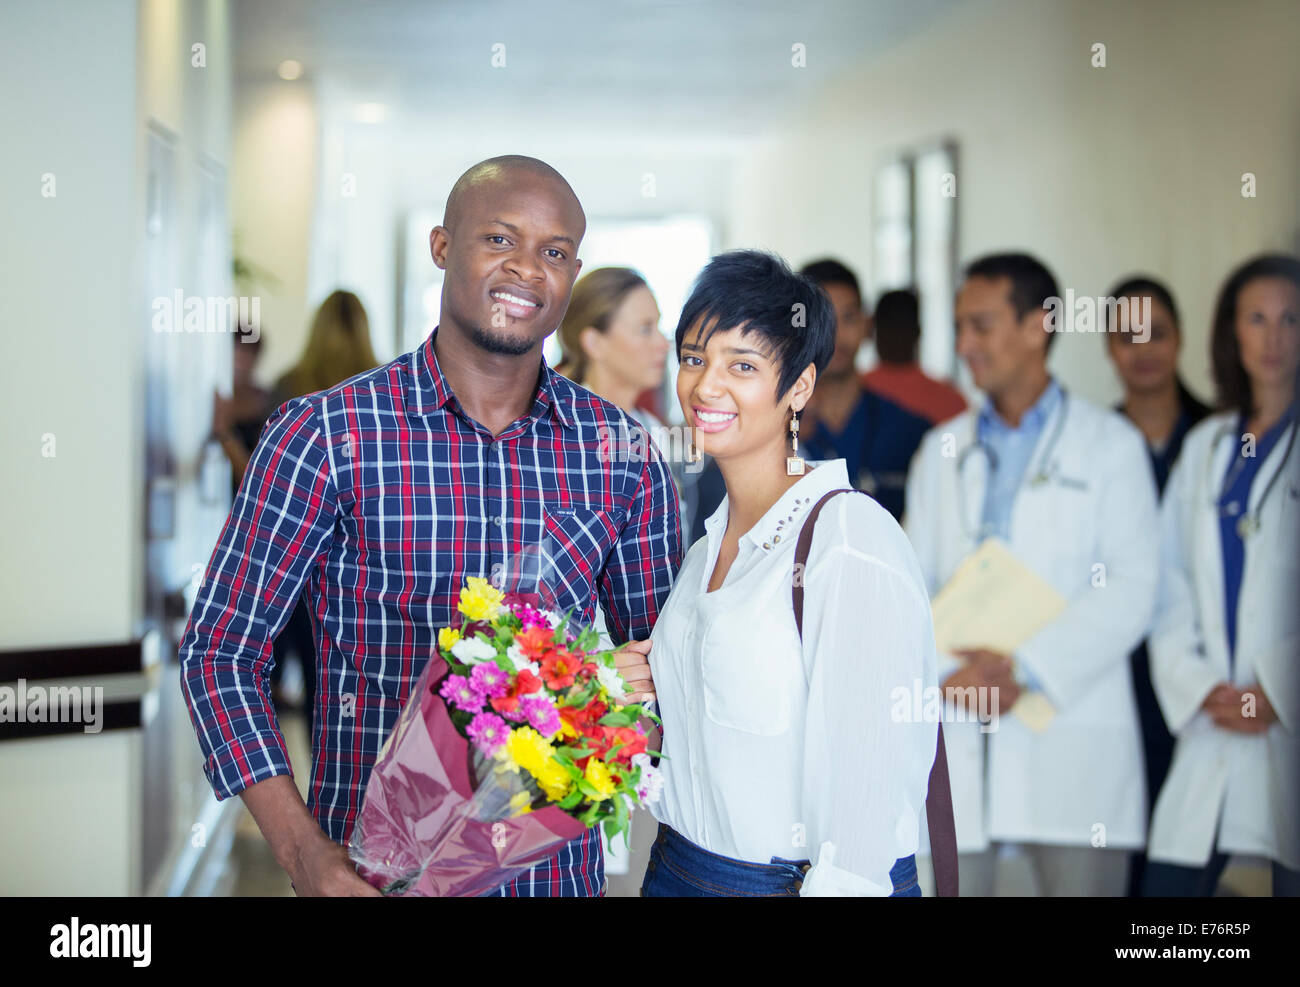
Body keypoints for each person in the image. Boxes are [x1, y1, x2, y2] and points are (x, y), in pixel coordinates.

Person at [179, 155, 682, 897]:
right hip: (368, 877)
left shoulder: (623, 451)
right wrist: (304, 854)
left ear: (574, 273)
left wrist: (628, 697)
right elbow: (220, 654)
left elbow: (664, 670)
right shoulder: (325, 434)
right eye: (499, 240)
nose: (526, 271)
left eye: (552, 253)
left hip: (553, 883)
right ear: (443, 247)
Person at [641, 250, 938, 896]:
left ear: (799, 386)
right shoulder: (703, 553)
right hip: (677, 872)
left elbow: (868, 796)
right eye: (694, 358)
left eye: (742, 365)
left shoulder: (849, 539)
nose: (705, 386)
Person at [904, 252, 1159, 896]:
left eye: (981, 326)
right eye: (960, 327)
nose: (964, 345)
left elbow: (1132, 586)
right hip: (958, 733)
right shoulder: (941, 452)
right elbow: (910, 585)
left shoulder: (1111, 446)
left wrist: (1022, 669)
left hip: (1072, 741)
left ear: (1037, 325)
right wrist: (953, 671)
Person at [1143, 254, 1300, 897]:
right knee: (1171, 909)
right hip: (1212, 715)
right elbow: (1167, 578)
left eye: (1291, 319)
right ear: (1231, 332)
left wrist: (1275, 688)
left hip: (1281, 716)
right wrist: (1201, 684)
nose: (1273, 338)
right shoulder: (1208, 446)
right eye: (1256, 319)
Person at [1102, 275, 1211, 896]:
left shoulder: (1220, 437)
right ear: (1110, 350)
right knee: (1128, 841)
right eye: (1127, 336)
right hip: (1119, 672)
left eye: (1158, 333)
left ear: (1181, 340)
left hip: (1204, 674)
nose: (1144, 349)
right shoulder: (1094, 443)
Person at [797, 259, 930, 520]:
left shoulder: (911, 432)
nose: (836, 335)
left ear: (867, 325)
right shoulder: (777, 433)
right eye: (823, 320)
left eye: (848, 317)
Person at [861, 288, 968, 425]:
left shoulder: (851, 396)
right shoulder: (950, 399)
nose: (895, 336)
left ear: (871, 332)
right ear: (918, 332)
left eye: (899, 327)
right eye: (891, 327)